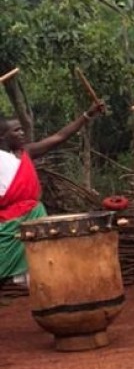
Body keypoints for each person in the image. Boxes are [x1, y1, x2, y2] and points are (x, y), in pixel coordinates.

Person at [1, 101, 106, 289]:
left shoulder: (26, 153)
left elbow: (59, 137)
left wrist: (87, 115)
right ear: (3, 136)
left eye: (22, 129)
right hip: (7, 223)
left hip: (34, 217)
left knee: (42, 265)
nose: (22, 133)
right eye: (16, 130)